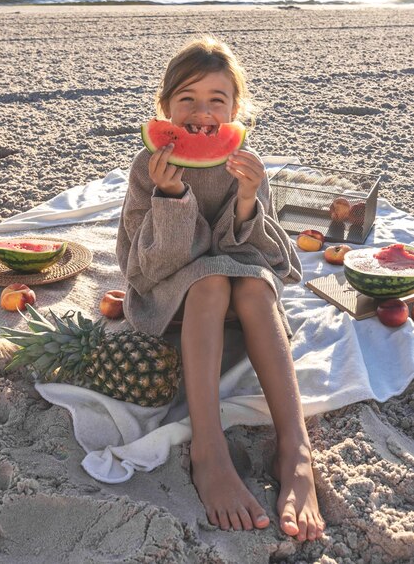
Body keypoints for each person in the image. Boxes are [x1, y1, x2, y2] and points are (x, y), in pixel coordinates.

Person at [116, 36, 325, 541]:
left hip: (243, 295)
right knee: (210, 282)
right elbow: (143, 267)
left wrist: (250, 199)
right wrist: (172, 196)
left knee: (254, 288)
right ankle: (207, 450)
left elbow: (268, 257)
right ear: (164, 109)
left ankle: (295, 449)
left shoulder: (245, 162)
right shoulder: (149, 168)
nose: (201, 112)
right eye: (186, 99)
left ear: (236, 109)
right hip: (175, 297)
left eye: (216, 100)